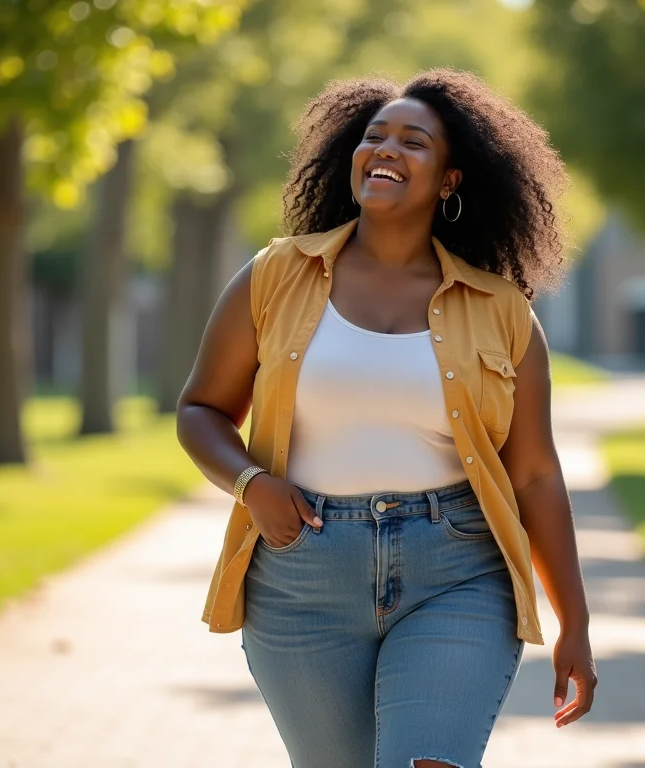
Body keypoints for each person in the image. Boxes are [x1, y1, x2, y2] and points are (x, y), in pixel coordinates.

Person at [176, 68, 597, 768]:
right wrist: (251, 484)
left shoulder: (501, 310)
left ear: (450, 179)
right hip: (302, 573)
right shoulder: (276, 275)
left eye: (413, 141)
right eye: (374, 137)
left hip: (458, 569)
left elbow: (534, 475)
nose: (386, 150)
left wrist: (574, 624)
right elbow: (200, 409)